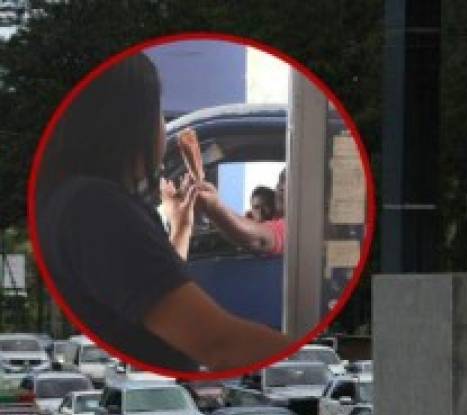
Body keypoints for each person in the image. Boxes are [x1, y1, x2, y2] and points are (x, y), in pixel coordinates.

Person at [34, 53, 293, 373]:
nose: (163, 127)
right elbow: (220, 344)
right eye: (159, 114)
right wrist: (306, 359)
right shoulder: (100, 209)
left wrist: (180, 226)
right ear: (130, 123)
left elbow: (151, 288)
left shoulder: (76, 202)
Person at [198, 168, 287, 256]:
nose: (281, 188)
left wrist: (213, 207)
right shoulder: (248, 220)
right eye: (281, 181)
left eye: (291, 182)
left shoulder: (292, 228)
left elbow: (259, 240)